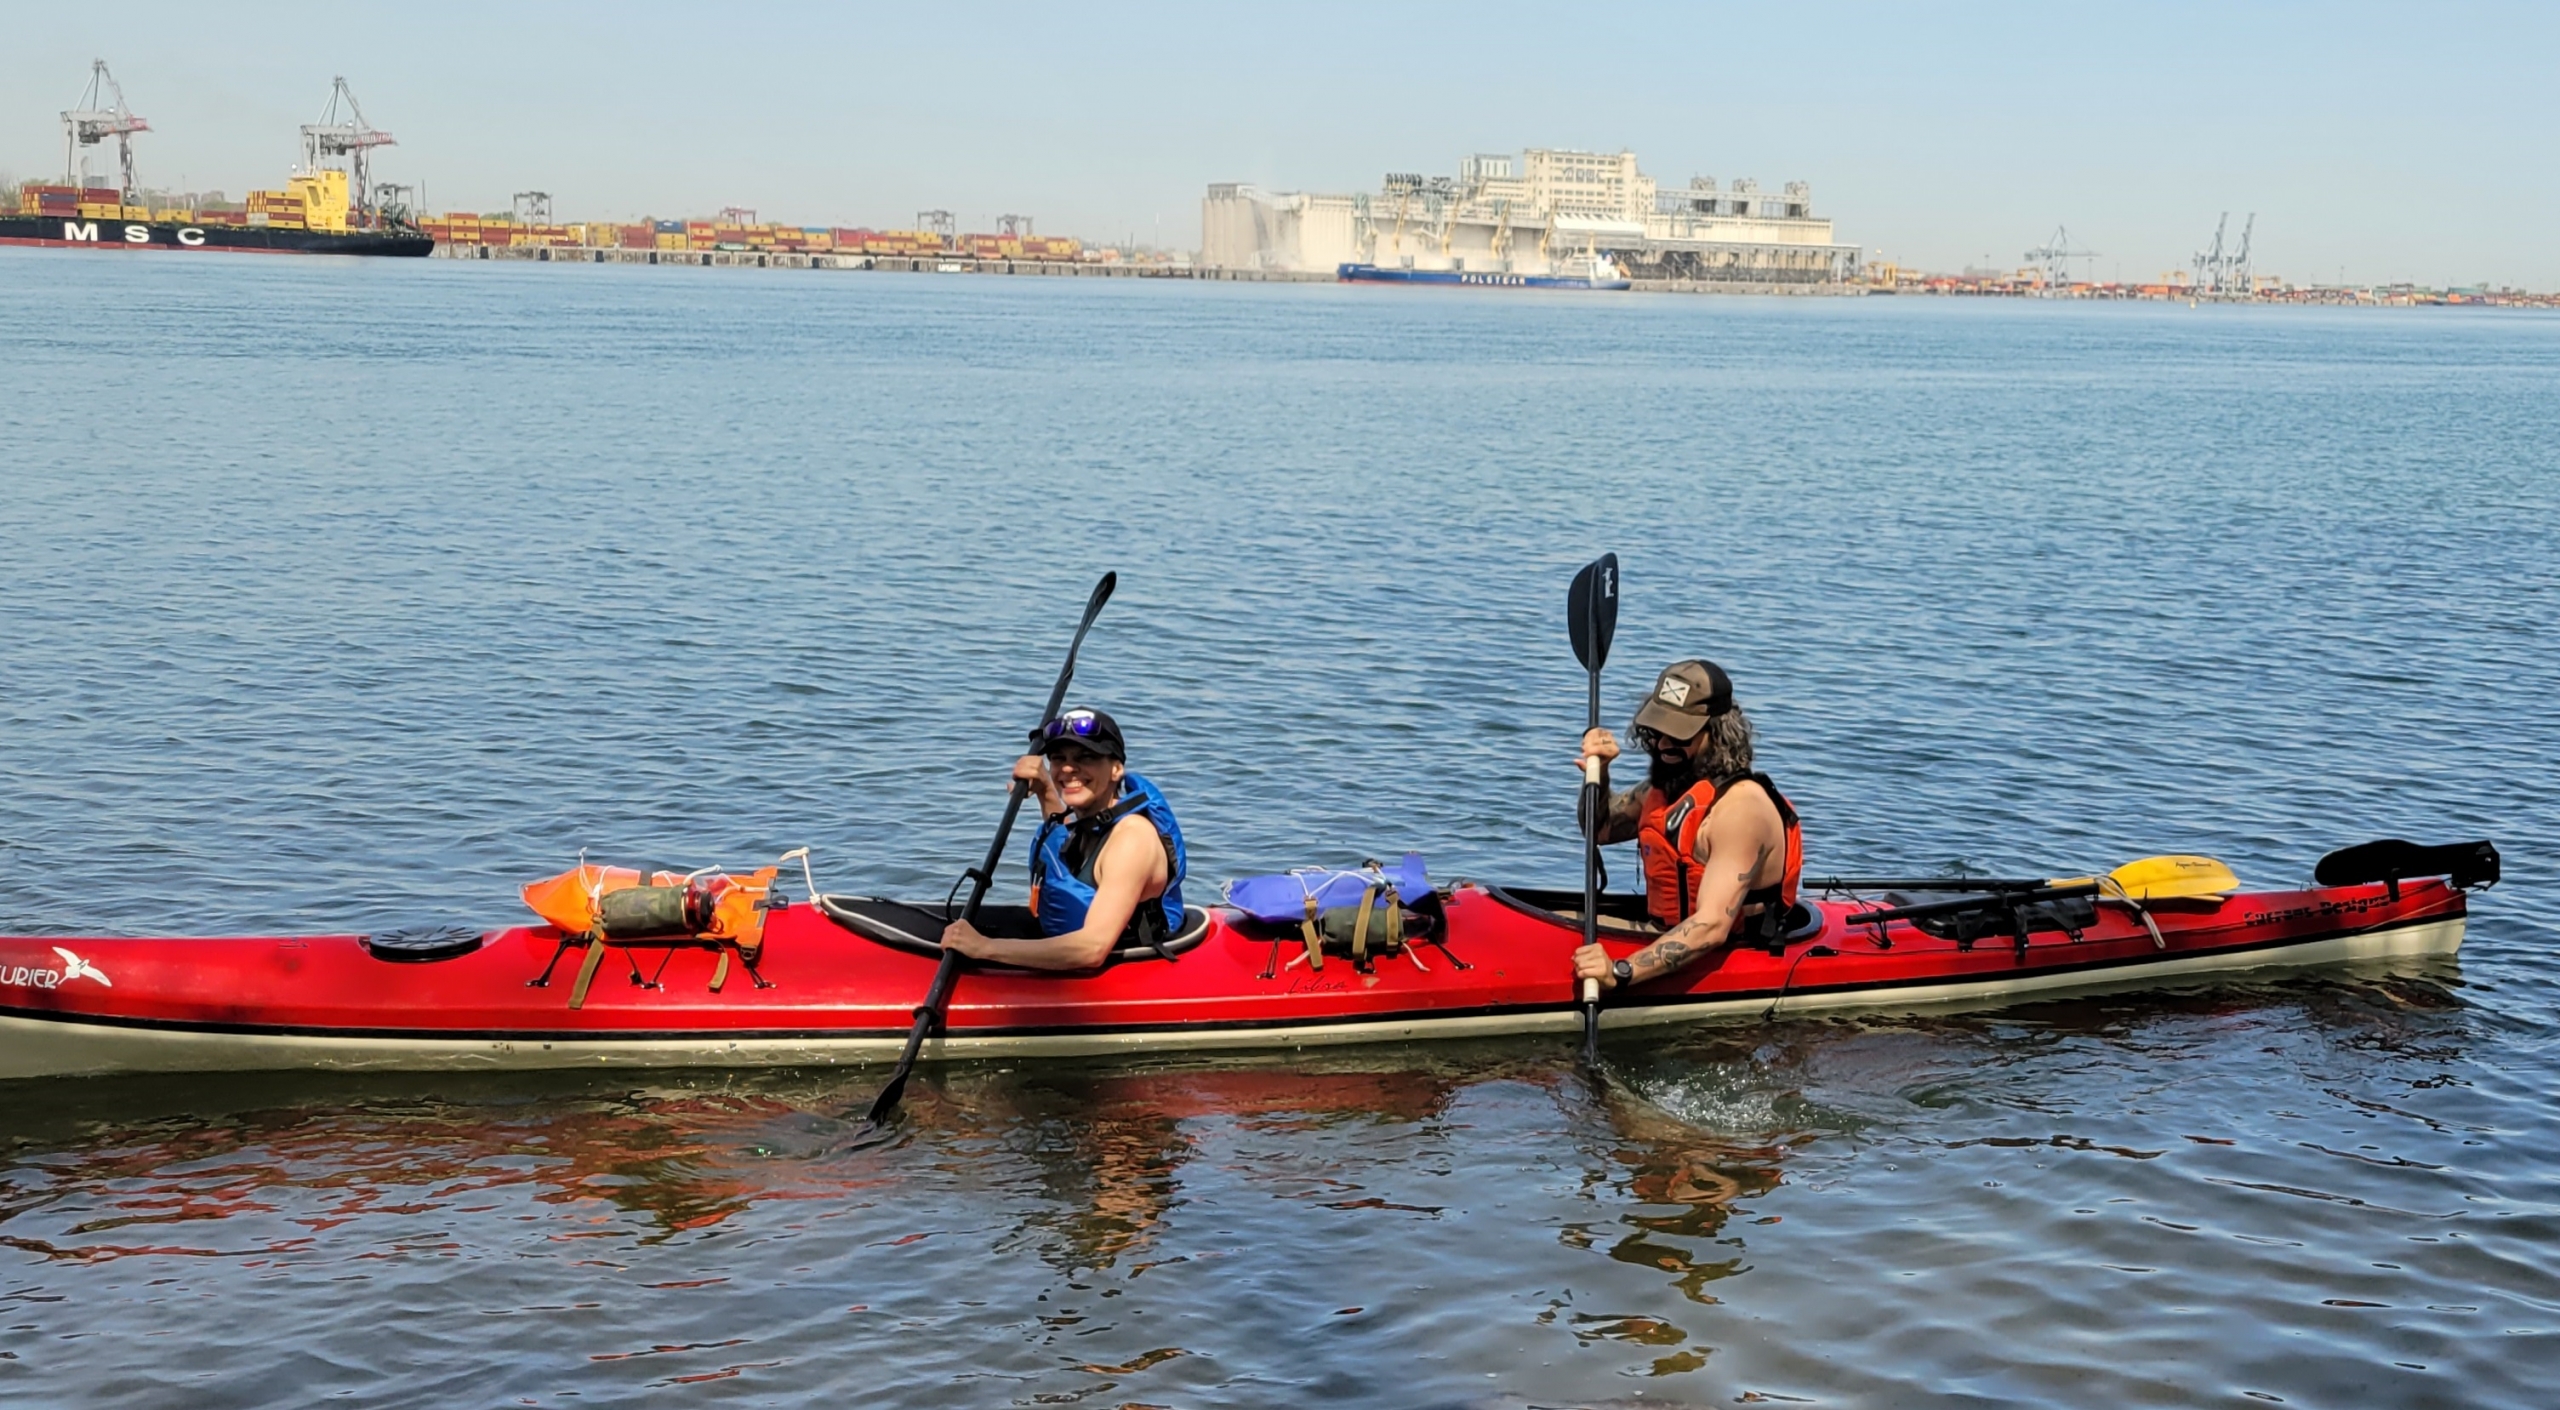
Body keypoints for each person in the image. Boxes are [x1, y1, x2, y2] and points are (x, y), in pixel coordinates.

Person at [1571, 660, 1803, 996]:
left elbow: (1710, 927)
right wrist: (1601, 772)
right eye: (1656, 730)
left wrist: (1621, 971)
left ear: (1719, 733)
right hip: (1664, 930)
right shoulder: (1665, 791)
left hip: (1737, 951)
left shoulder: (1740, 810)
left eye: (1679, 733)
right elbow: (1599, 829)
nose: (1663, 744)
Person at [941, 707, 1187, 970]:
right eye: (1058, 758)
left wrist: (984, 948)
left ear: (1116, 769)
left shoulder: (1132, 840)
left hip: (1125, 968)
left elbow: (1092, 949)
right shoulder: (1095, 822)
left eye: (1086, 757)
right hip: (1068, 941)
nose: (1068, 768)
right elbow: (1069, 849)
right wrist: (1045, 790)